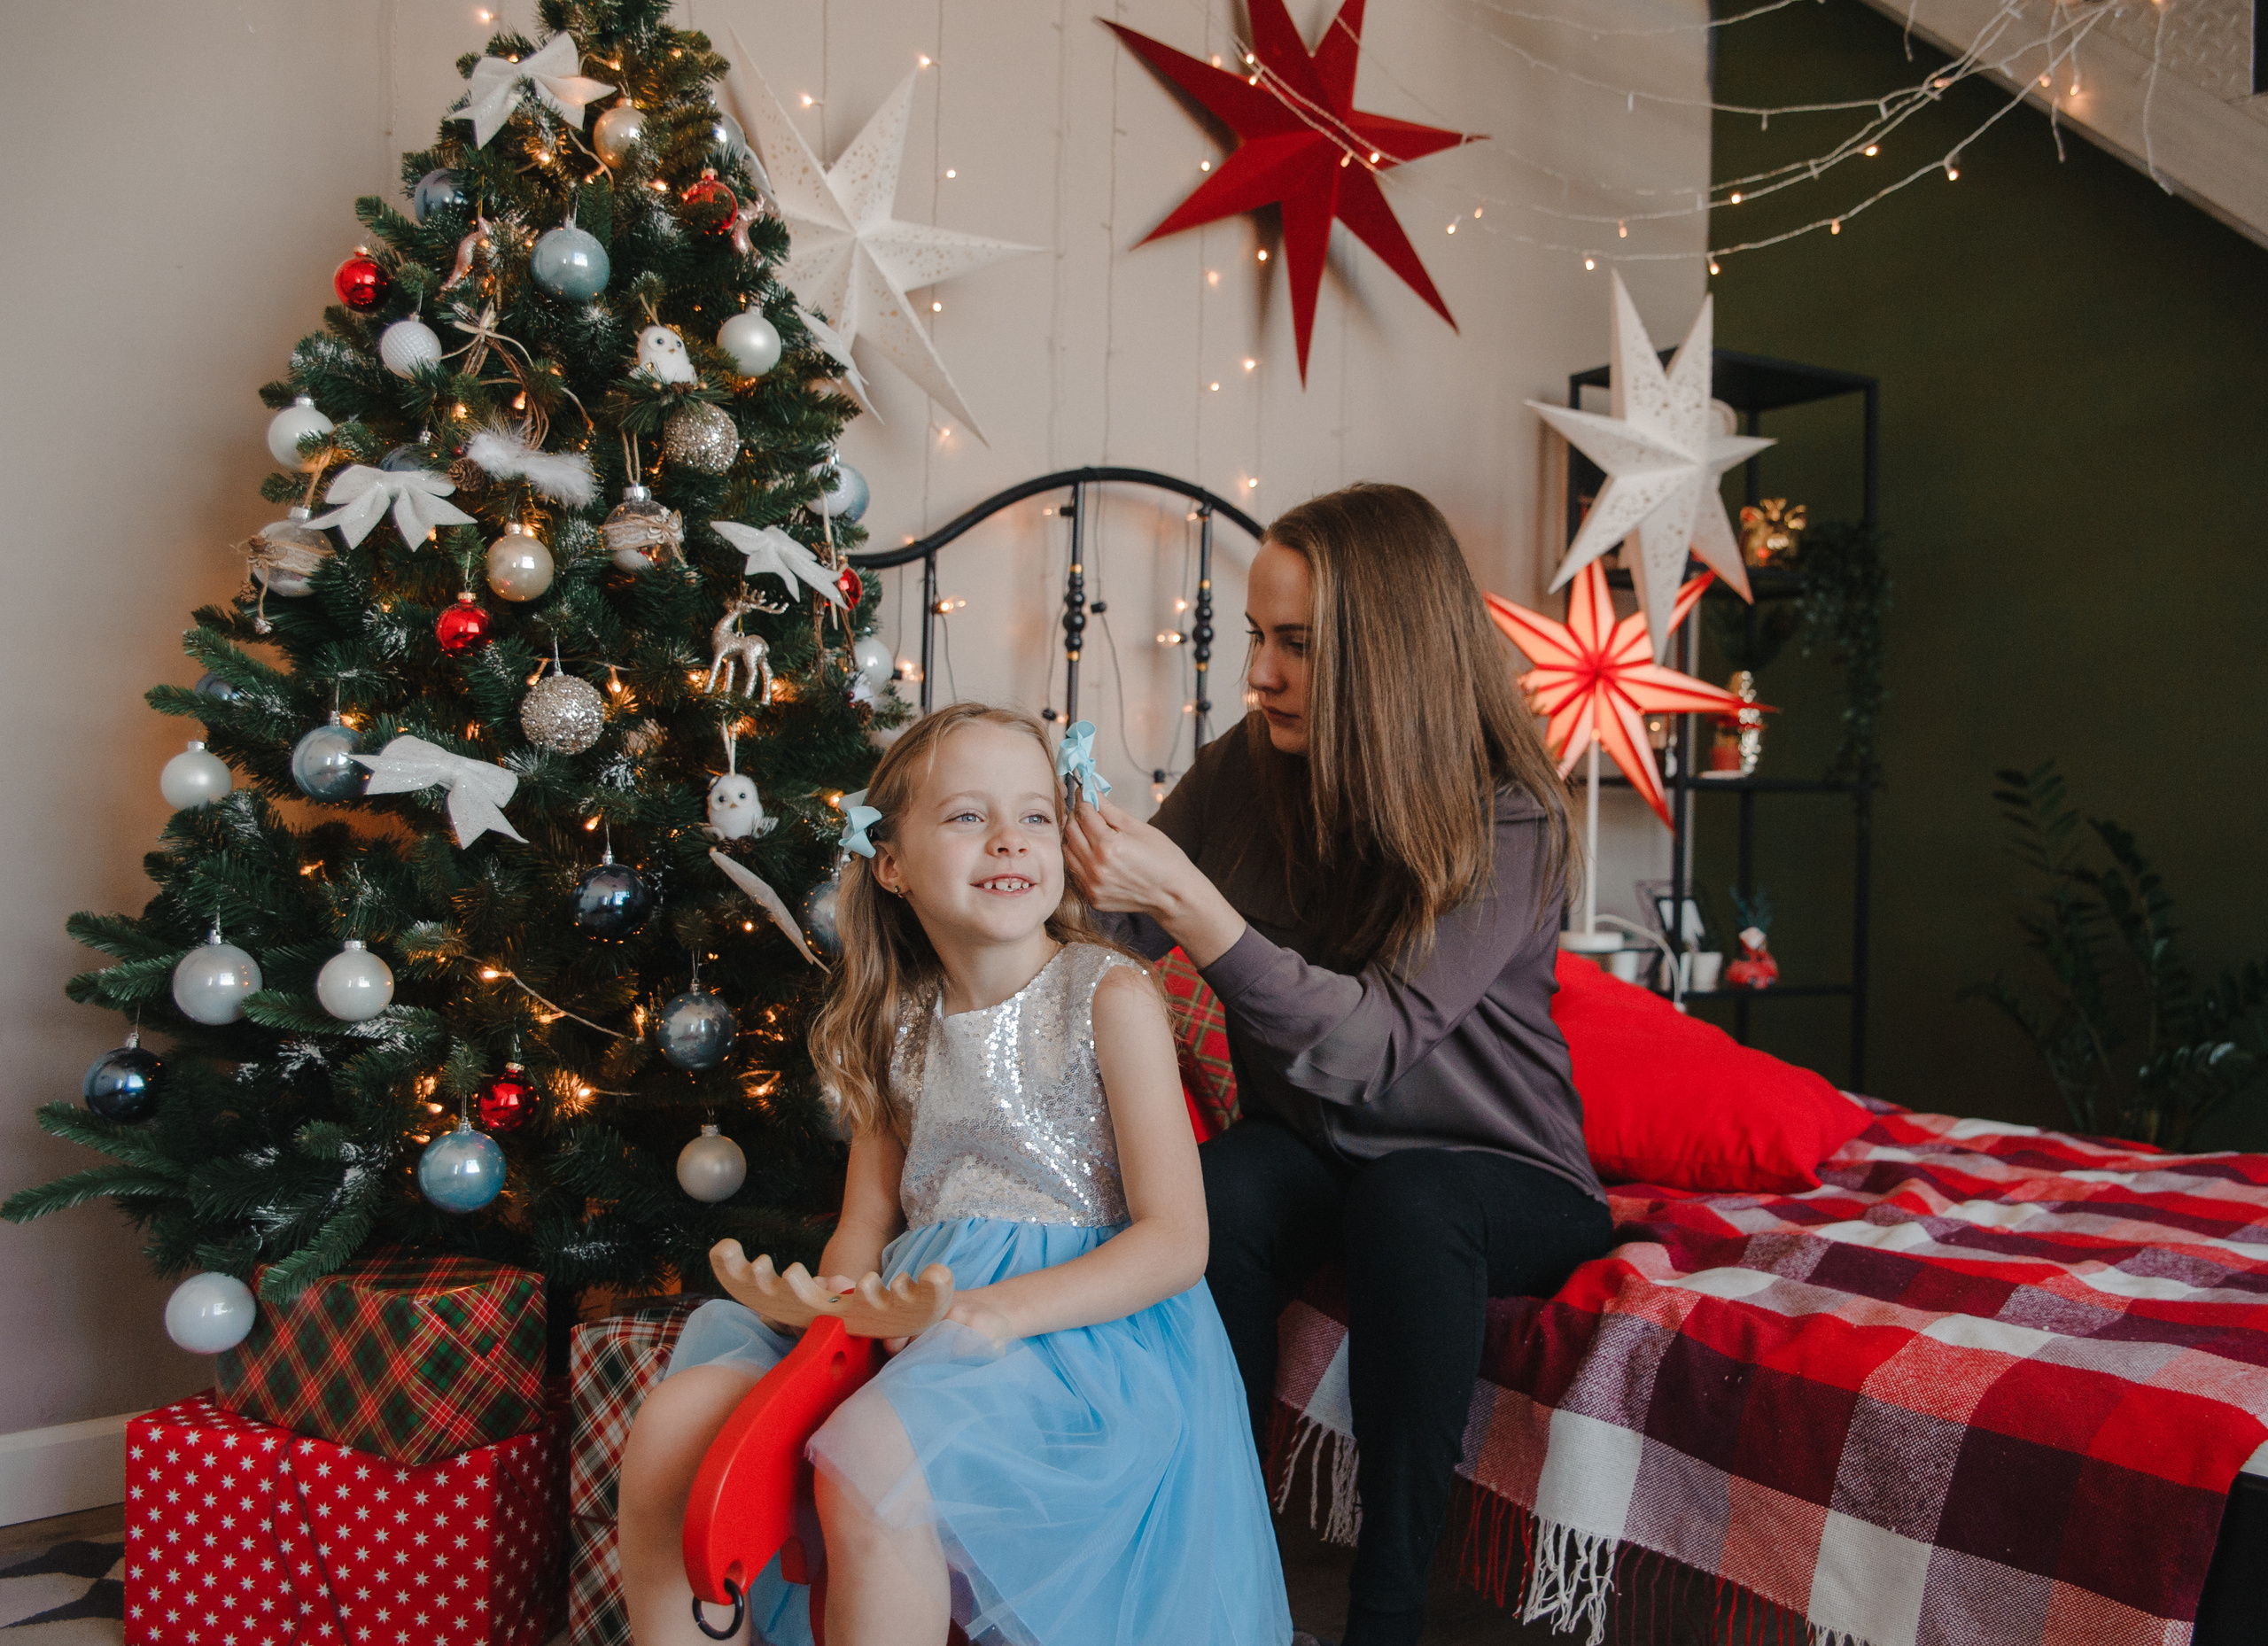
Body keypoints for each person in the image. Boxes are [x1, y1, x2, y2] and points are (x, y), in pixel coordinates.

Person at [1066, 483, 1617, 1646]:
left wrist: (1198, 908)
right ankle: (1228, 1570)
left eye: (1297, 646)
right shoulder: (1245, 770)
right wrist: (1016, 864)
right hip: (1323, 1153)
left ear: (1392, 653)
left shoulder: (1507, 817)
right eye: (1258, 637)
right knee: (1218, 1188)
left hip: (1494, 1172)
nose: (1259, 673)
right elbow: (1115, 933)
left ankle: (1386, 1614)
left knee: (1412, 1203)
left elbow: (1369, 1047)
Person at [616, 703, 1293, 1646]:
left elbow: (1177, 1241)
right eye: (968, 816)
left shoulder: (1107, 994)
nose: (1009, 838)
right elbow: (865, 1221)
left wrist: (1001, 1311)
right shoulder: (899, 1025)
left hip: (1077, 1346)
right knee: (674, 1426)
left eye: (1035, 815)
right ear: (889, 862)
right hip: (907, 1325)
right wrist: (837, 1304)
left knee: (872, 1458)